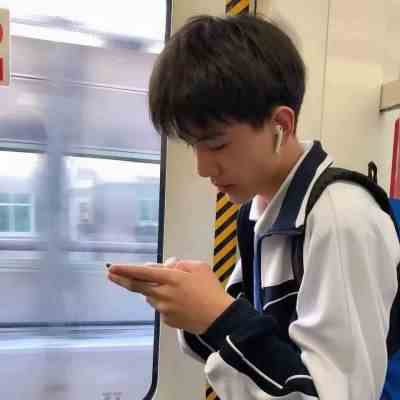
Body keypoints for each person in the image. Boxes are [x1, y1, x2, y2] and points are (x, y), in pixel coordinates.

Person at [107, 14, 400, 400]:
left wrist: (215, 316)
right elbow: (260, 348)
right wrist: (191, 305)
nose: (202, 168)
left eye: (217, 145)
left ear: (281, 125)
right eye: (194, 146)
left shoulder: (340, 217)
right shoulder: (258, 210)